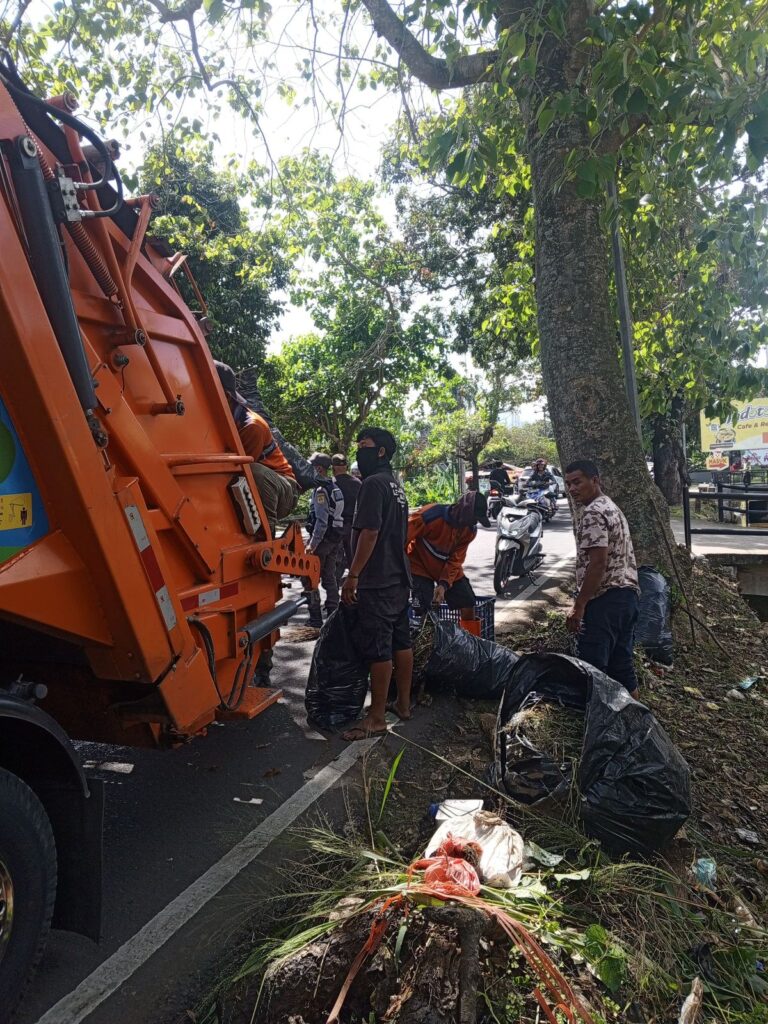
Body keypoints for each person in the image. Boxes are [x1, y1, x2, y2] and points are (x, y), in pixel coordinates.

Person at [341, 427, 412, 740]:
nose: (359, 450)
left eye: (364, 445)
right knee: (401, 641)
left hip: (378, 578)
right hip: (399, 576)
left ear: (381, 451)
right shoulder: (395, 485)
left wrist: (353, 574)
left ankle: (376, 717)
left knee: (379, 647)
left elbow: (370, 532)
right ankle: (403, 704)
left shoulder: (372, 484)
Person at [564, 460, 640, 698]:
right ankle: (636, 717)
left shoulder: (593, 513)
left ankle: (598, 718)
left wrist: (579, 606)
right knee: (622, 667)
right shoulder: (610, 506)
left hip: (606, 600)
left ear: (594, 480)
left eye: (577, 482)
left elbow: (598, 563)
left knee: (593, 671)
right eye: (568, 484)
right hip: (627, 598)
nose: (572, 489)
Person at [215, 361, 298, 532]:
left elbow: (239, 470)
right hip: (262, 486)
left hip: (284, 490)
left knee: (252, 471)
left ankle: (267, 531)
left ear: (226, 397)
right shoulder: (226, 422)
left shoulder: (252, 426)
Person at [407, 491, 490, 617]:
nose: (474, 523)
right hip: (420, 566)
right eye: (474, 518)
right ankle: (426, 627)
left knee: (467, 602)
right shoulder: (429, 515)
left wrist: (443, 585)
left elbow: (455, 560)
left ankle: (468, 630)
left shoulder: (469, 531)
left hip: (445, 568)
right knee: (423, 608)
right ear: (464, 511)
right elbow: (402, 539)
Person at [304, 453, 345, 628]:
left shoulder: (321, 491)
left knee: (308, 577)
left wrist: (312, 545)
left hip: (323, 541)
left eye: (312, 467)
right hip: (334, 539)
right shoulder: (334, 487)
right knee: (329, 577)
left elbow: (321, 521)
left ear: (319, 469)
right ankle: (333, 617)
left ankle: (315, 619)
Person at [331, 452, 362, 582]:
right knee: (353, 558)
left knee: (334, 562)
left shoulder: (331, 484)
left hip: (335, 527)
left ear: (333, 468)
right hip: (353, 526)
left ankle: (334, 585)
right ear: (346, 466)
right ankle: (356, 582)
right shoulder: (357, 483)